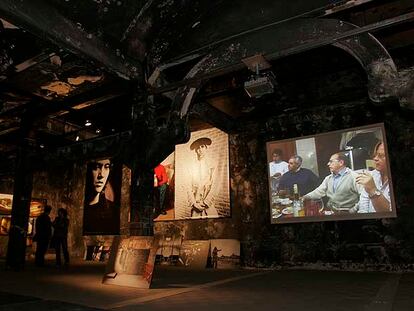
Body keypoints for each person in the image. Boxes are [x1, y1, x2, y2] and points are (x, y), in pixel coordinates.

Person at [83, 158, 119, 235]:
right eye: (96, 167)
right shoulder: (81, 209)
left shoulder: (113, 210)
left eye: (106, 167)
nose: (101, 175)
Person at [186, 137, 219, 218]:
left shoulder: (212, 164)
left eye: (202, 147)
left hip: (208, 207)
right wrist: (194, 203)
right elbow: (188, 186)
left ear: (206, 148)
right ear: (196, 151)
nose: (200, 150)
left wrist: (206, 203)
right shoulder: (192, 166)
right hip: (196, 207)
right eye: (197, 148)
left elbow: (215, 185)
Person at [357, 141, 391, 213]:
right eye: (375, 155)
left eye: (381, 155)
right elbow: (363, 207)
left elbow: (389, 214)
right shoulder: (371, 175)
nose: (375, 159)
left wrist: (372, 190)